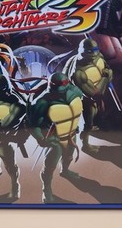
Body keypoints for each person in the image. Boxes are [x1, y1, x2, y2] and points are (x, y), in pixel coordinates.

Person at [27, 72, 83, 203]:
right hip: (54, 138)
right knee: (50, 166)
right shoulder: (42, 101)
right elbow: (32, 124)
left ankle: (65, 170)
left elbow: (76, 108)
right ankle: (46, 190)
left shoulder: (74, 91)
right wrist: (41, 139)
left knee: (69, 156)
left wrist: (73, 125)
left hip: (71, 134)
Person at [63, 38, 113, 152]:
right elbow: (94, 93)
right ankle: (85, 145)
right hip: (81, 97)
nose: (93, 56)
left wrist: (107, 74)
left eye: (95, 52)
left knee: (96, 114)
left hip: (93, 90)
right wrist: (106, 77)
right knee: (89, 119)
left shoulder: (98, 55)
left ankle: (87, 129)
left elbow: (107, 68)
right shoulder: (78, 73)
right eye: (89, 53)